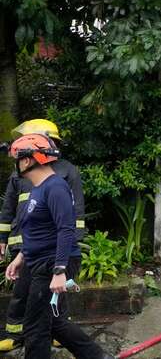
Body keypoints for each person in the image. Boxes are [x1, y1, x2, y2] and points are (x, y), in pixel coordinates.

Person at [4, 134, 109, 359]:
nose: (16, 164)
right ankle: (95, 356)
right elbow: (40, 232)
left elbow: (66, 229)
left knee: (34, 326)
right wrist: (20, 257)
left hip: (54, 262)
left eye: (16, 158)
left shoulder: (55, 187)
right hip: (38, 261)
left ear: (27, 161)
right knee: (52, 322)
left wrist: (60, 271)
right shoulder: (38, 188)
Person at [0, 120, 86, 352]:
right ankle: (15, 333)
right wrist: (3, 238)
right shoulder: (22, 173)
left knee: (49, 300)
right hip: (26, 246)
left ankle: (58, 333)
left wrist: (65, 252)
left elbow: (73, 216)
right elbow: (9, 207)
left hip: (52, 250)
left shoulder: (63, 174)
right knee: (22, 293)